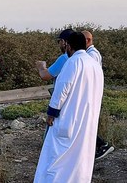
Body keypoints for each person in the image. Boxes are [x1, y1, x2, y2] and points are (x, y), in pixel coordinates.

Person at [34, 32, 104, 182]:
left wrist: (51, 113)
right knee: (80, 159)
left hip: (68, 119)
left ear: (69, 46)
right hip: (87, 120)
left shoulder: (73, 62)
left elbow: (62, 88)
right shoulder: (94, 64)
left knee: (56, 159)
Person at [82, 30, 114, 160]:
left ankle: (102, 145)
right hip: (90, 94)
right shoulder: (91, 54)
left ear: (88, 40)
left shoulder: (92, 55)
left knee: (87, 123)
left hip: (90, 95)